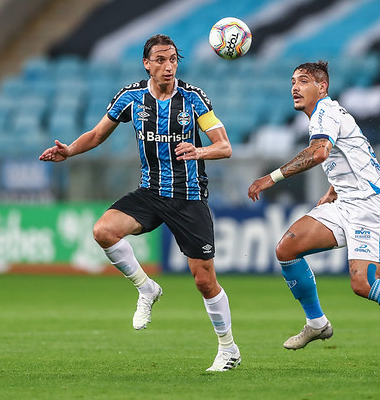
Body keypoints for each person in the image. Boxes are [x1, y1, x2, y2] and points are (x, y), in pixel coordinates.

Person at [39, 35, 241, 372]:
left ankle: (229, 349)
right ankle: (146, 288)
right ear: (146, 63)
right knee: (103, 230)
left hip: (188, 197)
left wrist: (199, 150)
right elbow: (97, 134)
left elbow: (224, 146)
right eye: (160, 60)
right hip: (149, 193)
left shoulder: (193, 99)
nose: (168, 66)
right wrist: (70, 150)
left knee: (204, 280)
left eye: (173, 59)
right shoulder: (131, 98)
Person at [247, 60, 380, 365]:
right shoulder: (328, 114)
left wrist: (271, 178)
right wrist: (334, 189)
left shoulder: (325, 111)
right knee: (287, 248)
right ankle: (317, 323)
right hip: (345, 202)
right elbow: (356, 153)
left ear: (322, 87)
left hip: (370, 208)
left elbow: (319, 152)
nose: (295, 87)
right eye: (293, 81)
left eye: (303, 81)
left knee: (363, 284)